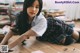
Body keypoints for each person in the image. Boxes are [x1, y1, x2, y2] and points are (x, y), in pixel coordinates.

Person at [0, 0, 80, 50]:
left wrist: (5, 49)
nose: (34, 9)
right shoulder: (20, 16)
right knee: (67, 41)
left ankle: (76, 32)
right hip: (44, 35)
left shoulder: (41, 20)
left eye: (37, 7)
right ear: (26, 6)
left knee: (74, 38)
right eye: (31, 6)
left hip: (54, 26)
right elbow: (12, 31)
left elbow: (23, 36)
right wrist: (1, 44)